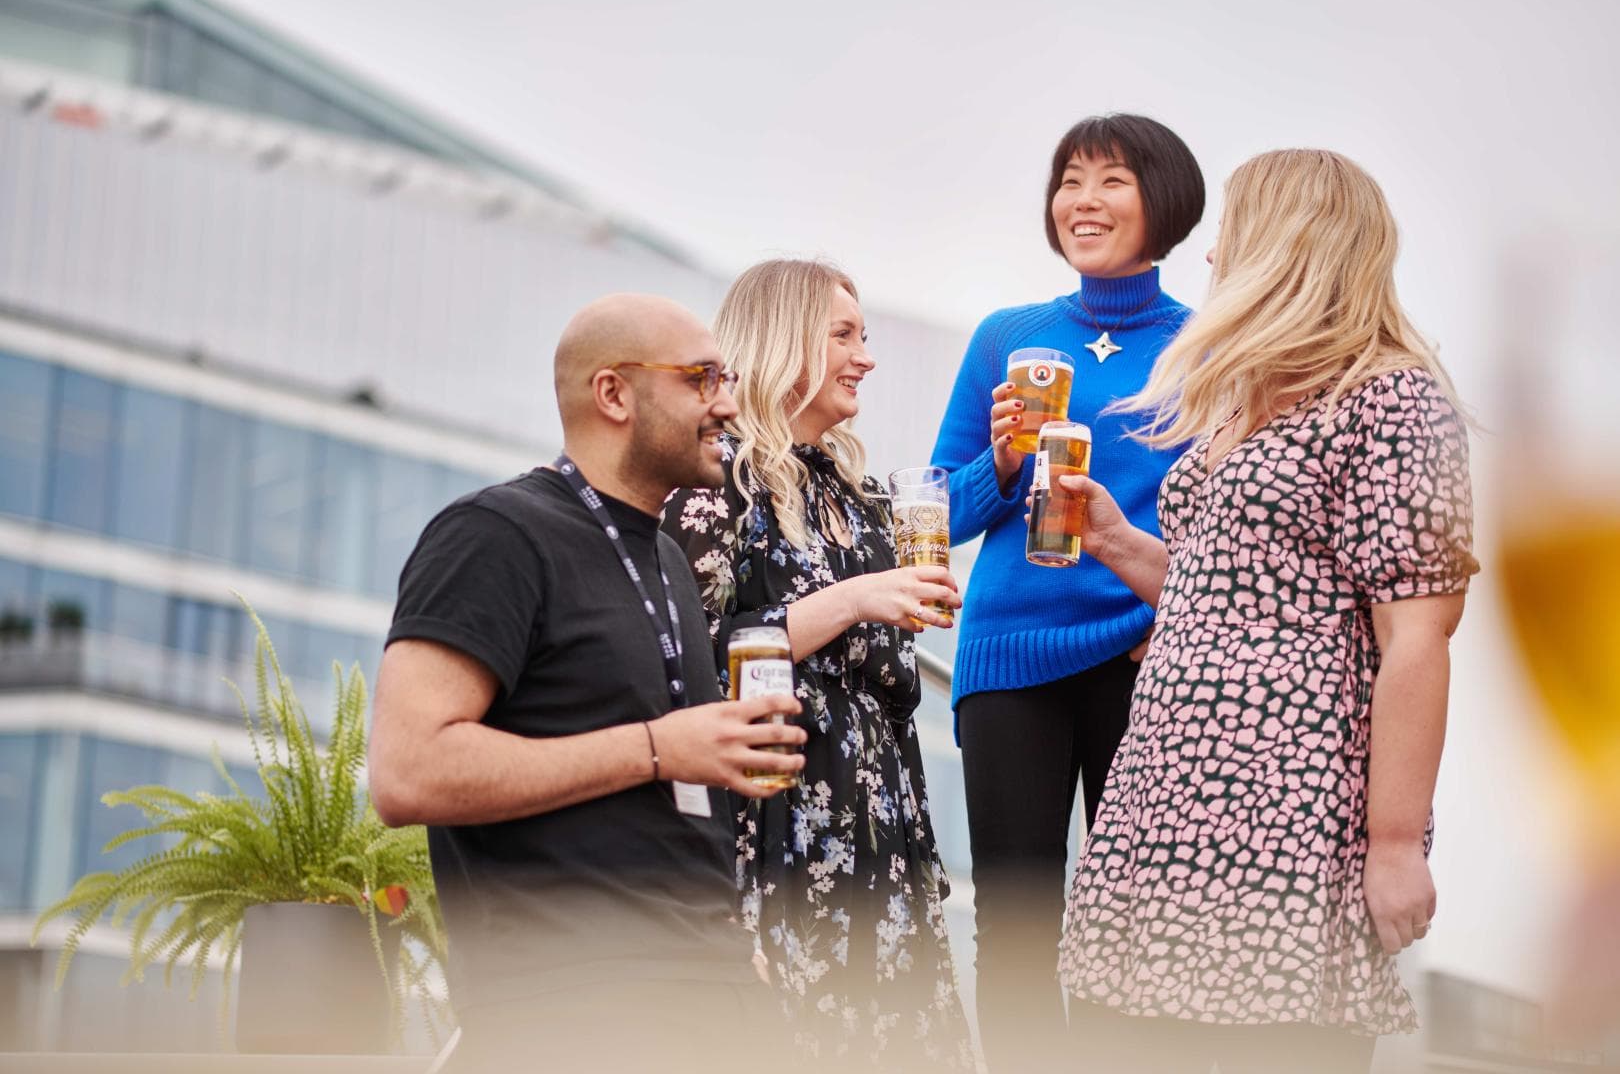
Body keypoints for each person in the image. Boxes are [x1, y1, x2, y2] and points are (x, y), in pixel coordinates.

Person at [1054, 149, 1479, 1073]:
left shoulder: (1394, 399)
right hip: (1162, 794)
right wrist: (1121, 540)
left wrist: (1397, 843)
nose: (1210, 262)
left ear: (1285, 245)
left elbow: (1419, 635)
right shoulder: (1239, 404)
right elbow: (1227, 592)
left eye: (1229, 237)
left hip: (1285, 806)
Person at [368, 293, 808, 1074]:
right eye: (702, 378)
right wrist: (654, 749)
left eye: (727, 377)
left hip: (714, 1008)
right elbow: (407, 773)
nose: (730, 403)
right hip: (567, 1012)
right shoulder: (494, 534)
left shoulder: (669, 561)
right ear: (613, 394)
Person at [926, 112, 1205, 1069]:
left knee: (1132, 932)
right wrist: (1003, 458)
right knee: (1012, 919)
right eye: (1069, 180)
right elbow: (944, 507)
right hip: (1008, 662)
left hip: (1143, 657)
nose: (1082, 201)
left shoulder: (1210, 351)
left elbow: (1223, 518)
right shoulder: (1011, 337)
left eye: (1111, 180)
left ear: (1163, 201)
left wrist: (1169, 618)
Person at [662, 259, 975, 1070]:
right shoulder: (715, 479)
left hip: (878, 820)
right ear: (783, 339)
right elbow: (687, 656)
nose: (865, 356)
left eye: (864, 336)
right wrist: (854, 600)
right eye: (843, 335)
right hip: (778, 822)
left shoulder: (857, 492)